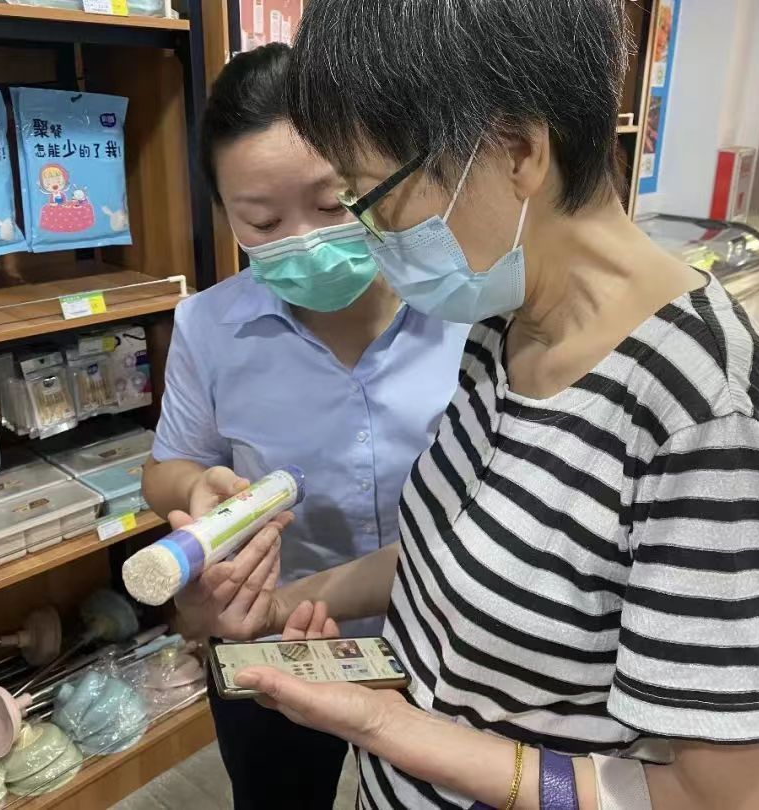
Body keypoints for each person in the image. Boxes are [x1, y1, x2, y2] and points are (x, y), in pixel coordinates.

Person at [207, 2, 759, 808]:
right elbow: (456, 550)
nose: (370, 236)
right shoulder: (503, 323)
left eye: (371, 195)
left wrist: (387, 727)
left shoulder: (700, 409)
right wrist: (284, 606)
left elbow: (725, 800)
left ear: (516, 149)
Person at [142, 43, 468, 810]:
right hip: (275, 643)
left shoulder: (465, 306)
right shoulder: (209, 327)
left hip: (445, 637)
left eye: (332, 203)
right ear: (225, 215)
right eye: (262, 220)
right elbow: (164, 470)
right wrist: (198, 484)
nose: (308, 239)